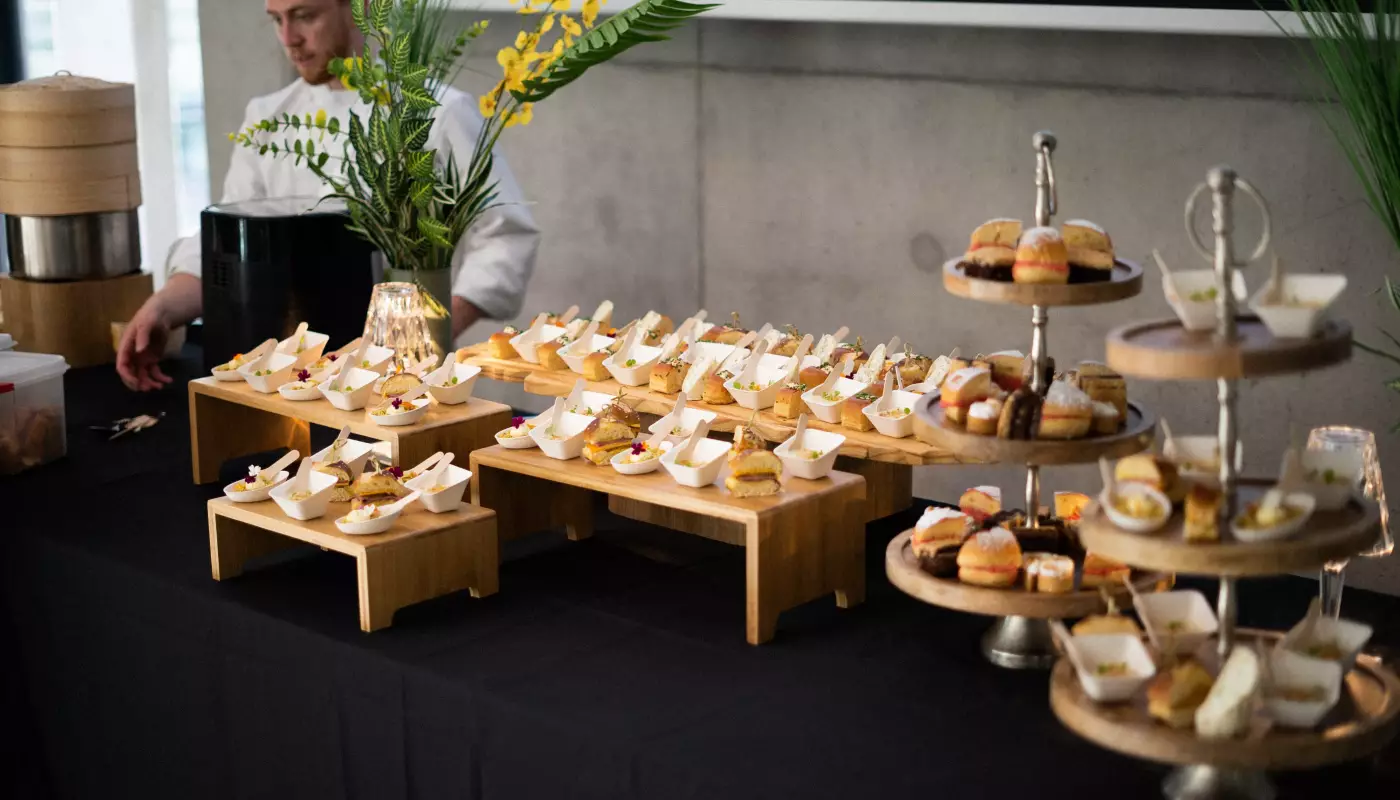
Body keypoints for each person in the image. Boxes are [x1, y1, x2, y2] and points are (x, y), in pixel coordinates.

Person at [116, 0, 539, 391]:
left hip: (400, 383)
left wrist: (423, 337)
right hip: (282, 381)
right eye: (276, 19)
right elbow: (229, 248)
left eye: (304, 15)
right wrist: (163, 309)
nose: (288, 38)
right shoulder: (268, 121)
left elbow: (505, 233)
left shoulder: (436, 112)